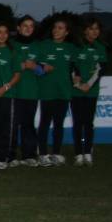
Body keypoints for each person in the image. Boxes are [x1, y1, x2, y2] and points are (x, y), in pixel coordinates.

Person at [35, 16, 74, 167]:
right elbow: (34, 64)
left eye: (60, 28)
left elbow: (76, 66)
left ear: (66, 32)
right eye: (54, 28)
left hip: (63, 92)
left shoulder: (70, 48)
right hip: (47, 91)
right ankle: (43, 153)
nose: (56, 30)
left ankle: (56, 153)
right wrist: (41, 68)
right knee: (45, 122)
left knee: (59, 124)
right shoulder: (43, 45)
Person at [71, 17, 107, 166]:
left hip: (91, 91)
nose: (94, 31)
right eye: (91, 28)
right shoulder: (76, 46)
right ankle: (79, 153)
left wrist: (89, 86)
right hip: (77, 91)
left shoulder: (101, 47)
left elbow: (101, 70)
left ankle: (88, 152)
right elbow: (72, 68)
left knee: (89, 122)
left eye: (97, 29)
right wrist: (80, 85)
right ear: (85, 30)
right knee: (78, 122)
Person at [0, 23, 21, 169]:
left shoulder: (12, 51)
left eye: (5, 32)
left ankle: (3, 156)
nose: (2, 35)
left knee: (5, 126)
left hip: (6, 94)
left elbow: (17, 75)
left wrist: (5, 87)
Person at [12, 16, 42, 166]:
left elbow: (44, 69)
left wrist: (35, 67)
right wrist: (22, 66)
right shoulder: (11, 44)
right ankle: (10, 155)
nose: (28, 28)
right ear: (18, 28)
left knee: (28, 124)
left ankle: (28, 155)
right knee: (12, 124)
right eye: (25, 25)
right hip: (13, 91)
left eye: (31, 26)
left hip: (31, 92)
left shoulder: (38, 46)